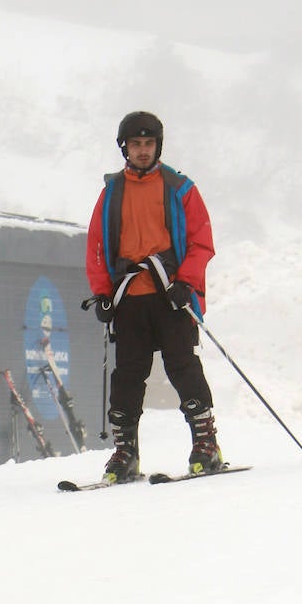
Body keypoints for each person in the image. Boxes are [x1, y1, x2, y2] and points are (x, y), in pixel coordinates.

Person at [85, 111, 222, 481]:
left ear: (158, 146)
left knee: (183, 367)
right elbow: (96, 247)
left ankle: (206, 444)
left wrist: (187, 283)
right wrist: (102, 293)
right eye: (136, 144)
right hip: (130, 298)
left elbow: (201, 241)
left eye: (148, 144)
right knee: (128, 375)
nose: (142, 151)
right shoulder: (111, 193)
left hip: (171, 295)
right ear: (124, 148)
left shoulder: (180, 188)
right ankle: (125, 452)